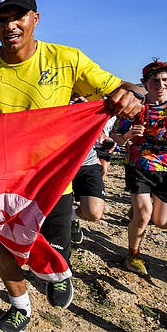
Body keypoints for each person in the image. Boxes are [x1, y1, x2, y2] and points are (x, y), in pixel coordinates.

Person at [0, 0, 144, 332]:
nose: (10, 25)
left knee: (52, 256)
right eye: (3, 19)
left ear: (35, 19)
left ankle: (55, 270)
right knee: (6, 248)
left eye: (18, 16)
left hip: (55, 179)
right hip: (4, 181)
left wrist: (132, 94)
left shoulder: (67, 59)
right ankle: (19, 307)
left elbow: (121, 88)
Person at [111, 60, 167, 275]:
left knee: (162, 222)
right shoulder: (134, 106)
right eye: (154, 81)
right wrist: (129, 135)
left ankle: (140, 212)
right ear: (144, 83)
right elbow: (116, 137)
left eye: (165, 80)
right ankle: (133, 254)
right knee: (142, 216)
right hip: (138, 164)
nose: (160, 85)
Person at [69, 96, 107, 245]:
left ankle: (71, 216)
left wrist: (102, 136)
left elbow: (100, 128)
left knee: (94, 213)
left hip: (87, 163)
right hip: (59, 164)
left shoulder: (94, 99)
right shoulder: (52, 94)